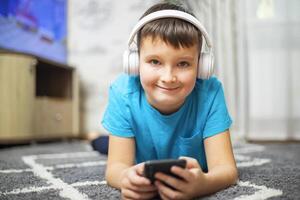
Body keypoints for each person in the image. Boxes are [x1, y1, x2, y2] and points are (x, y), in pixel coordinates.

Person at [101, 2, 238, 199]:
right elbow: (114, 169)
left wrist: (204, 184)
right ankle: (93, 138)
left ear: (202, 66)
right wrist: (125, 178)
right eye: (155, 61)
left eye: (183, 63)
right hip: (135, 145)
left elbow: (227, 170)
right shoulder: (123, 92)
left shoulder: (210, 92)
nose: (168, 77)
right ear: (134, 62)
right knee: (102, 145)